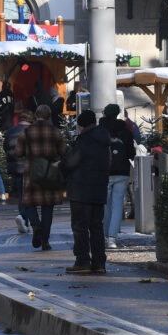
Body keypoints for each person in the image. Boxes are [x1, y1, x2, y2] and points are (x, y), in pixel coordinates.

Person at [60, 109, 111, 275]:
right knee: (96, 227)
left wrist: (60, 164)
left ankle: (82, 261)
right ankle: (99, 262)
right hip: (99, 189)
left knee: (80, 227)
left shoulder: (84, 140)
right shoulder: (104, 140)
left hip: (81, 190)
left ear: (81, 126)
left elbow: (71, 162)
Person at [15, 104, 65, 251]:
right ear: (49, 116)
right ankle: (45, 241)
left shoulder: (26, 132)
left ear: (36, 115)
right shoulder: (55, 132)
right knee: (48, 208)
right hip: (50, 172)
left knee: (29, 203)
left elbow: (18, 153)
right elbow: (63, 151)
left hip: (32, 172)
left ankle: (36, 225)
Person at [101, 103, 135, 249]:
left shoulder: (101, 130)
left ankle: (103, 236)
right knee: (118, 205)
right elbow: (131, 153)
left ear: (105, 114)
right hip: (122, 171)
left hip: (105, 171)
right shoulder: (125, 131)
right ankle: (112, 238)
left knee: (106, 205)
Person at [5, 110, 33, 233]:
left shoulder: (11, 131)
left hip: (16, 167)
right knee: (29, 195)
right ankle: (24, 218)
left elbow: (6, 147)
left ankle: (23, 219)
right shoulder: (32, 131)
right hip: (29, 167)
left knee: (21, 195)